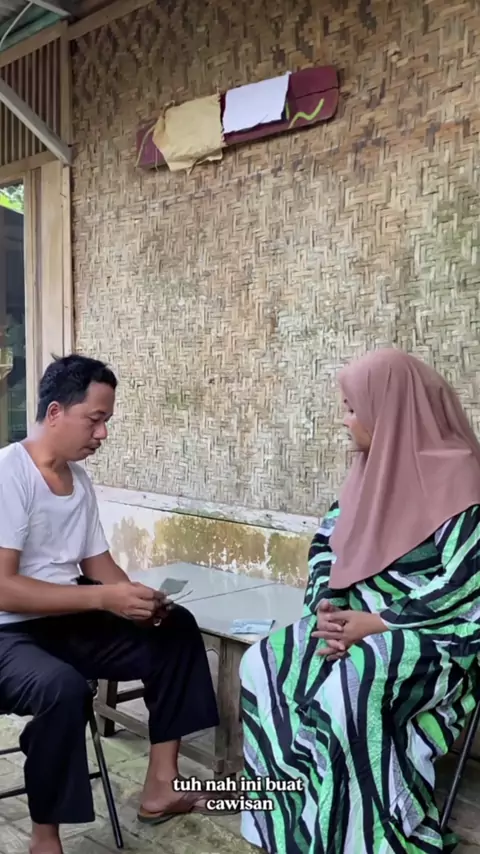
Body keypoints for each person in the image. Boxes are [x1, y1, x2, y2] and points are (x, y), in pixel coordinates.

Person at [239, 348, 480, 854]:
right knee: (265, 661)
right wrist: (325, 607)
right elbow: (327, 546)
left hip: (438, 637)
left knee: (355, 679)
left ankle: (366, 835)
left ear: (389, 409)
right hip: (355, 623)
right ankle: (291, 823)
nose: (344, 420)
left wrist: (377, 622)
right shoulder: (367, 473)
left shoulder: (463, 481)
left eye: (352, 408)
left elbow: (465, 584)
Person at [0, 354, 222, 854]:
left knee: (174, 627)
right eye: (94, 420)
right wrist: (104, 597)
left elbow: (97, 564)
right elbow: (4, 589)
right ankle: (45, 839)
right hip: (8, 633)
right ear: (55, 412)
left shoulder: (78, 481)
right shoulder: (8, 474)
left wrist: (136, 600)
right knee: (62, 688)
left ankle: (161, 786)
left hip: (65, 621)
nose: (101, 434)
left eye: (106, 422)